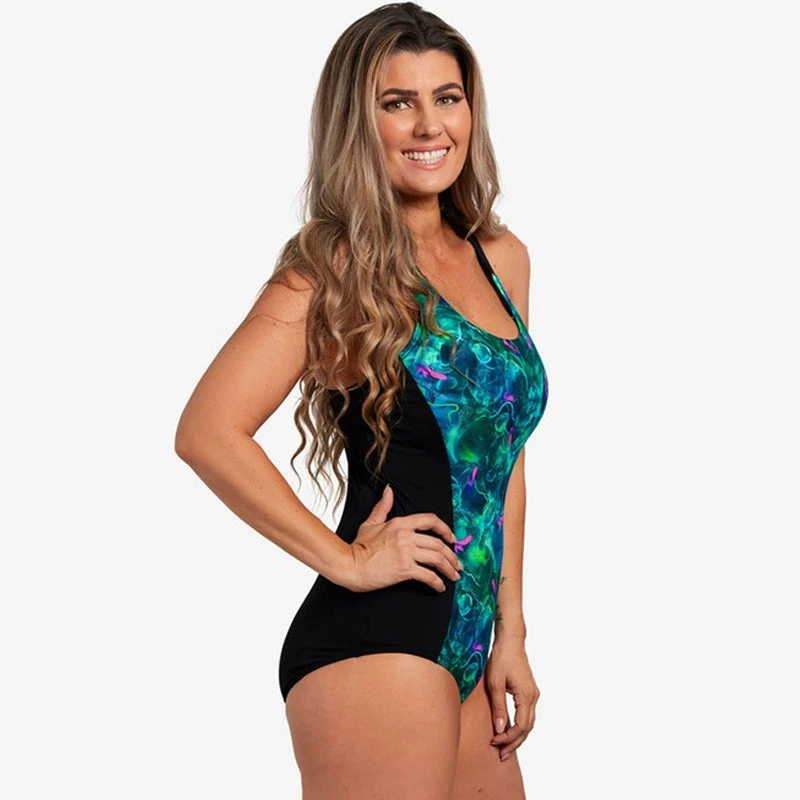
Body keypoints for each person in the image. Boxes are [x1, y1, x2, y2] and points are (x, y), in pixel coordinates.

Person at [175, 3, 549, 797]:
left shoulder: (501, 258)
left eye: (447, 97)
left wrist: (511, 633)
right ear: (358, 121)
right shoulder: (333, 270)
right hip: (378, 639)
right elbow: (208, 430)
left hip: (469, 644)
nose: (429, 125)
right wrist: (345, 560)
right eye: (397, 102)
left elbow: (504, 456)